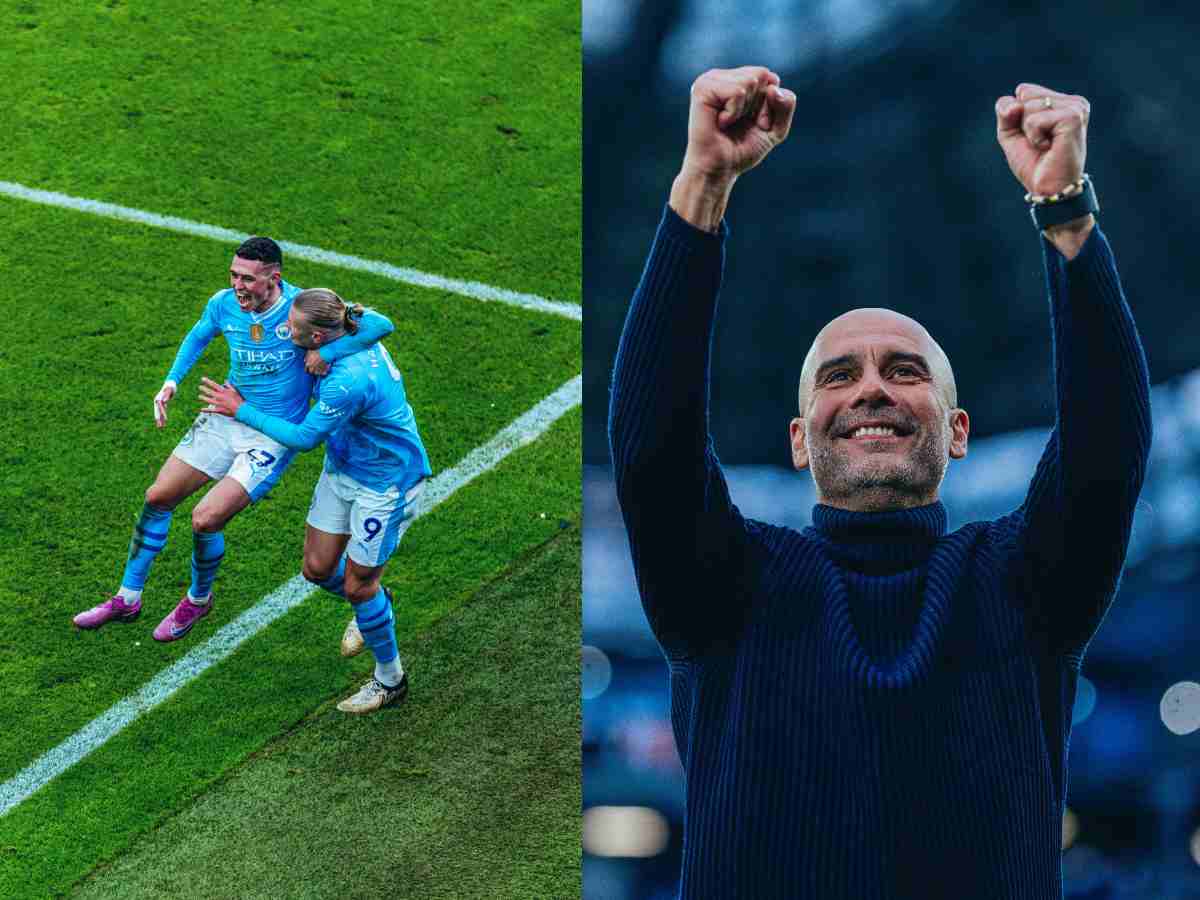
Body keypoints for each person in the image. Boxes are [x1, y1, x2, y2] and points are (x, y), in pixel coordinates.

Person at [608, 67, 1151, 898]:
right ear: (798, 440)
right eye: (837, 375)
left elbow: (1107, 443)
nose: (870, 389)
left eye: (904, 371)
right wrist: (704, 182)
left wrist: (1067, 214)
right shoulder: (724, 588)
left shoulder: (1024, 583)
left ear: (957, 431)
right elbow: (651, 443)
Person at [73, 237, 396, 643]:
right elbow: (199, 335)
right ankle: (127, 598)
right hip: (226, 414)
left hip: (271, 433)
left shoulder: (301, 310)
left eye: (247, 278)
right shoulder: (223, 303)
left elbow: (381, 324)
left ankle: (198, 598)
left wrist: (328, 354)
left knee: (205, 519)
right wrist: (171, 381)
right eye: (233, 275)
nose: (238, 285)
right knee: (157, 496)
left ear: (273, 279)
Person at [198, 288, 432, 714]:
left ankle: (389, 680)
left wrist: (239, 408)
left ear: (319, 338)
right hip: (343, 469)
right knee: (317, 569)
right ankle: (377, 602)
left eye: (294, 330)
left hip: (385, 484)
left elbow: (304, 438)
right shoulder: (353, 324)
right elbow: (381, 321)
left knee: (358, 585)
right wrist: (331, 350)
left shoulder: (348, 380)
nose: (286, 331)